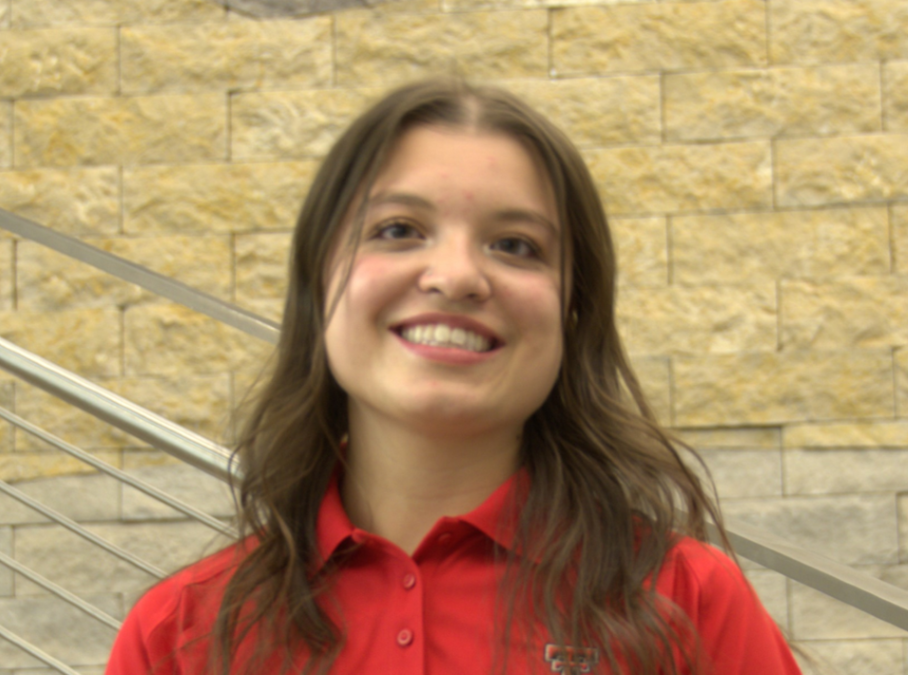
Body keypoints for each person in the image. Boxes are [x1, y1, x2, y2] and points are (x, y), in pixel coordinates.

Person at [105, 78, 802, 675]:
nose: (458, 276)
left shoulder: (688, 597)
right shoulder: (180, 634)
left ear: (571, 309)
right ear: (319, 286)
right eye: (398, 229)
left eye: (515, 245)